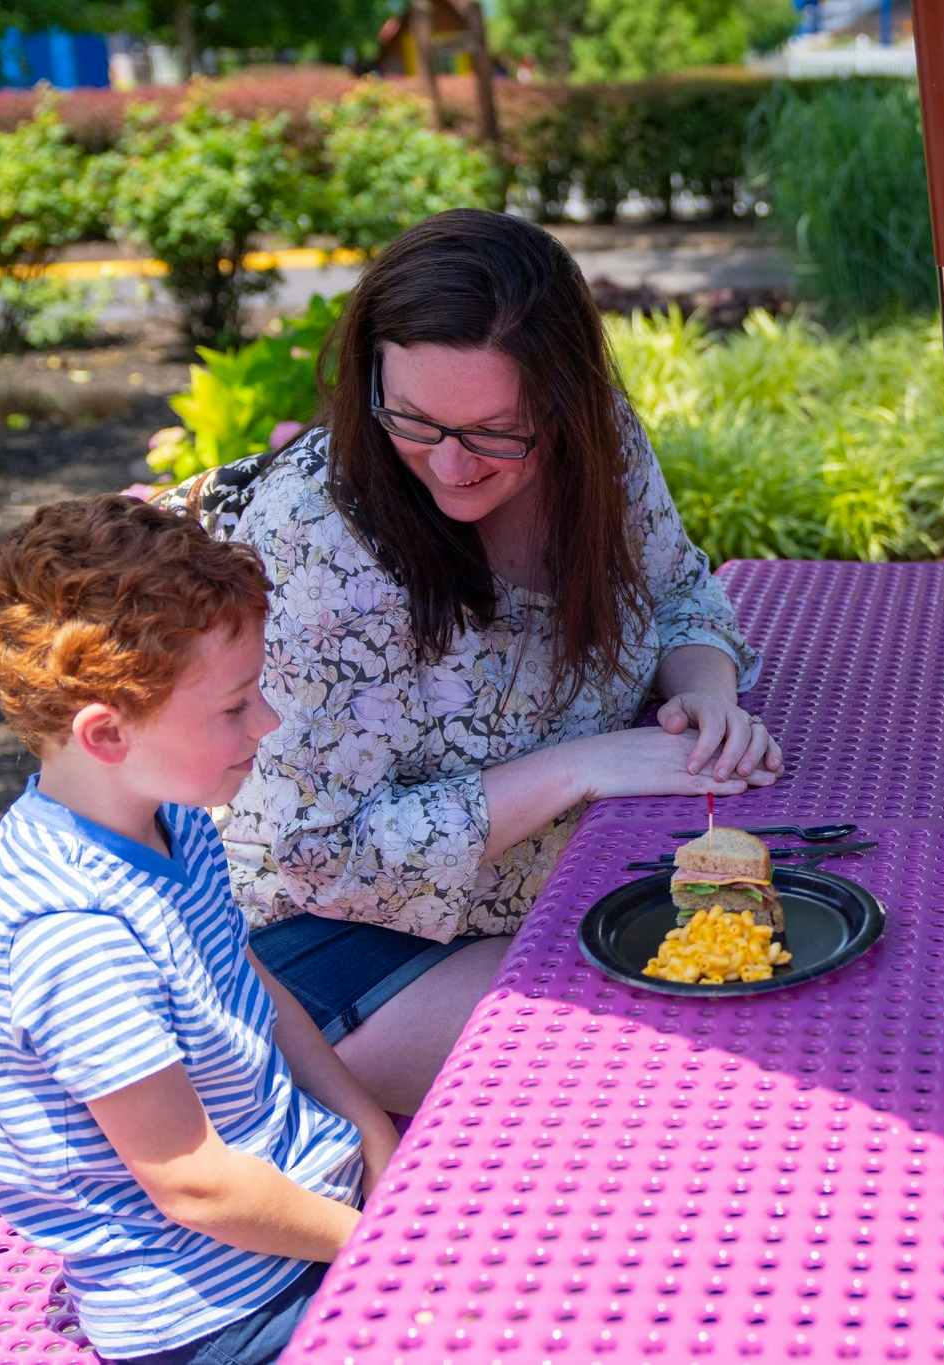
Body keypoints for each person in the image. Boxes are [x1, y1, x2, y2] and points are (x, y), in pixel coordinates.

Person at [177, 210, 781, 1116]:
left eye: (498, 431)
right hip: (317, 941)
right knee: (662, 1066)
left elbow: (679, 591)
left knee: (763, 978)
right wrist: (577, 769)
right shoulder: (318, 537)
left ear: (565, 399)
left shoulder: (600, 442)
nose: (452, 465)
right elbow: (311, 852)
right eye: (414, 419)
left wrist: (705, 694)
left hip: (540, 888)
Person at [0, 495, 395, 1364]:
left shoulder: (170, 817)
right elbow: (192, 1182)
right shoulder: (71, 933)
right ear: (108, 732)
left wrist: (370, 1128)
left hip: (292, 1217)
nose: (265, 722)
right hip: (217, 1309)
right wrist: (387, 1249)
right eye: (234, 707)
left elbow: (250, 987)